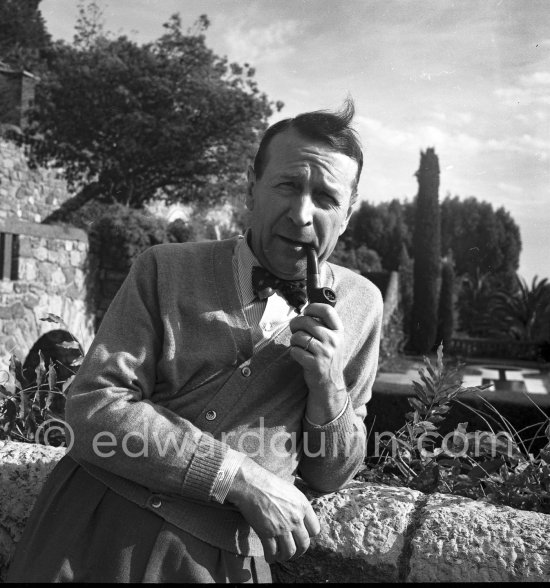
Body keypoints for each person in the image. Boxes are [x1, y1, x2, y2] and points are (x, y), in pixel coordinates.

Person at [7, 99, 383, 583]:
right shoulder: (164, 267)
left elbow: (331, 474)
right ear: (252, 189)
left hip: (220, 563)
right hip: (89, 532)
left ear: (348, 214)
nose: (302, 214)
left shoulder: (362, 305)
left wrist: (329, 386)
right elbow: (93, 407)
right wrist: (239, 479)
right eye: (288, 185)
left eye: (327, 198)